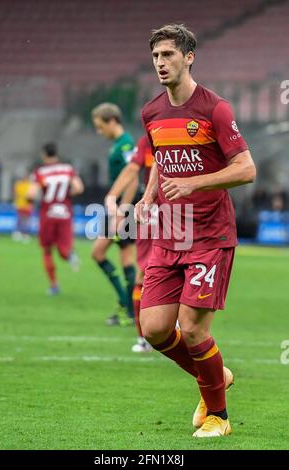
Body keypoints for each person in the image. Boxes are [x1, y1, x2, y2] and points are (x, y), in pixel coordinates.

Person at [136, 24, 256, 437]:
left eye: (168, 55)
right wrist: (150, 194)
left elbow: (246, 169)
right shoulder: (152, 112)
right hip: (169, 233)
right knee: (152, 328)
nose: (160, 63)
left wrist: (193, 183)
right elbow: (160, 157)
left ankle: (219, 418)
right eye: (155, 57)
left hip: (209, 237)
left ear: (189, 57)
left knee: (191, 328)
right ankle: (216, 376)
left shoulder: (215, 109)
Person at [105, 135, 154, 352]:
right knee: (143, 273)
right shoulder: (146, 141)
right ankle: (143, 338)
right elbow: (133, 169)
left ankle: (178, 325)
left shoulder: (184, 136)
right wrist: (112, 197)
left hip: (182, 212)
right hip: (151, 210)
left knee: (179, 270)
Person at [91, 103, 138, 326]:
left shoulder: (126, 144)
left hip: (123, 209)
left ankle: (129, 309)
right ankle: (126, 304)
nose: (99, 132)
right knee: (99, 252)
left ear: (112, 121)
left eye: (100, 127)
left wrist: (123, 210)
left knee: (123, 256)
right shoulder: (119, 144)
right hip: (118, 208)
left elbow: (134, 177)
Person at [28, 142, 84, 295]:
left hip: (48, 213)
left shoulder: (40, 172)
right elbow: (79, 188)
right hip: (65, 212)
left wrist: (32, 200)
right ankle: (70, 255)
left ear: (44, 154)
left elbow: (31, 194)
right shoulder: (68, 169)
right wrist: (65, 195)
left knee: (47, 250)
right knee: (63, 250)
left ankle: (54, 286)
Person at [12, 170, 33, 242]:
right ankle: (17, 232)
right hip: (20, 204)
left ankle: (25, 233)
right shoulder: (19, 184)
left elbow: (32, 196)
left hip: (28, 205)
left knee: (27, 220)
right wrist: (15, 202)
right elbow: (16, 194)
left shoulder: (30, 185)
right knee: (20, 219)